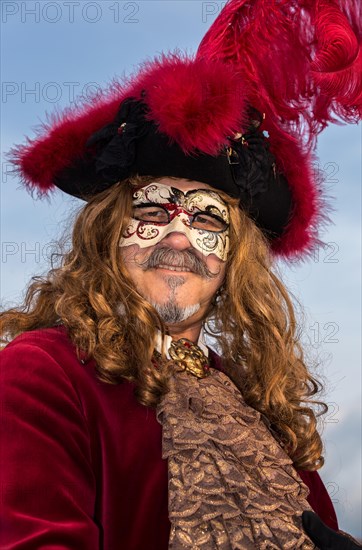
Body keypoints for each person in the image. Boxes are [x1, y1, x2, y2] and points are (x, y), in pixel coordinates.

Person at [1, 1, 361, 548]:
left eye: (209, 217)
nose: (178, 236)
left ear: (233, 259)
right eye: (152, 211)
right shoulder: (42, 375)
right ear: (107, 232)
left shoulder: (258, 408)